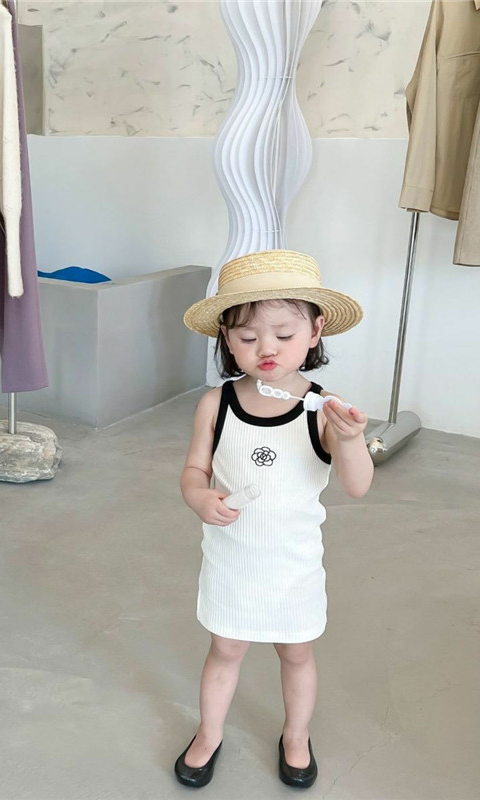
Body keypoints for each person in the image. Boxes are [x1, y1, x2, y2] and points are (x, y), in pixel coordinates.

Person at [175, 249, 374, 789]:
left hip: (293, 565)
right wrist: (199, 498)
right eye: (247, 337)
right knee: (225, 649)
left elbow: (357, 485)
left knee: (297, 653)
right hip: (232, 560)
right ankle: (209, 733)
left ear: (315, 331)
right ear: (225, 337)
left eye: (283, 335)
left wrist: (351, 440)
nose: (266, 349)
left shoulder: (325, 409)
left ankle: (296, 734)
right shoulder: (216, 404)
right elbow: (194, 470)